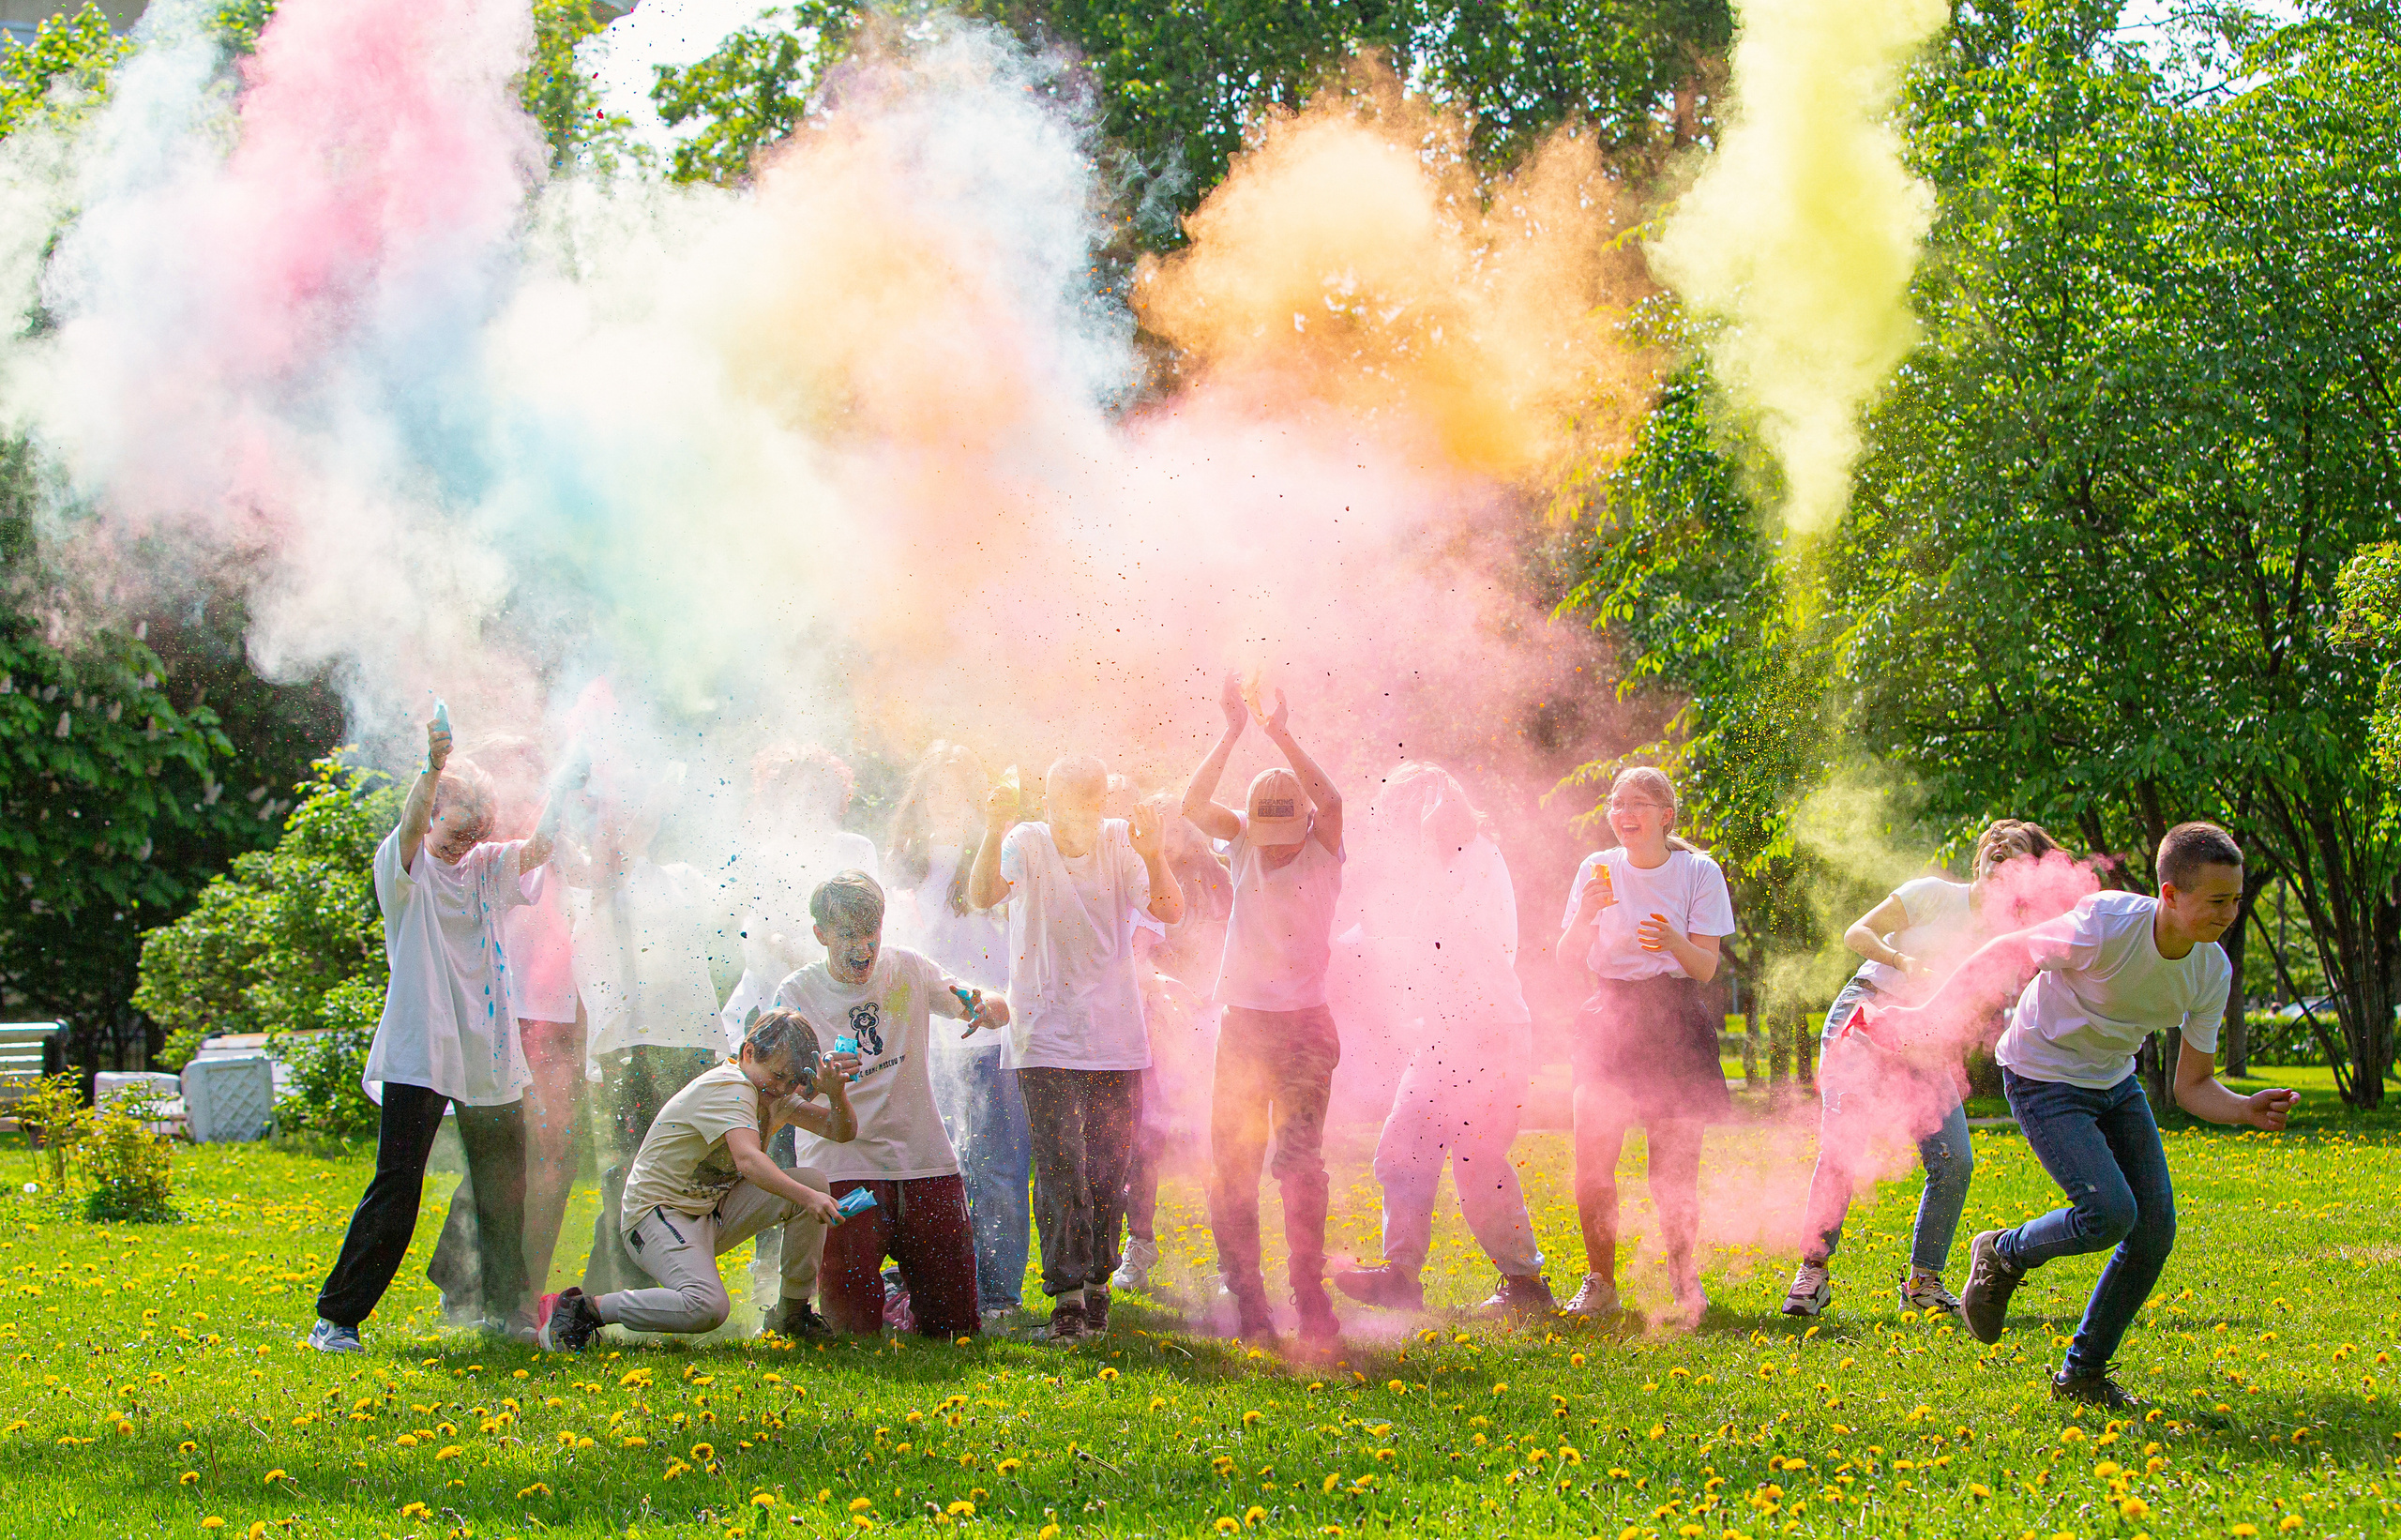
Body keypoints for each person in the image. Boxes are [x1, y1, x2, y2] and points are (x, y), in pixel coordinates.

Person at [1866, 821, 2298, 1408]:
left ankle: (2083, 1373)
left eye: (2236, 900)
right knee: (2110, 1211)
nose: (2229, 913)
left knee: (2153, 1232)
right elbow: (2004, 952)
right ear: (2170, 894)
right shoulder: (2107, 925)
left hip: (2112, 1083)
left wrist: (2245, 1108)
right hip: (2041, 1076)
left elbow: (2192, 1086)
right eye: (2216, 900)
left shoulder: (2210, 971)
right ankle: (2003, 1253)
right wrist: (1927, 1015)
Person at [308, 708, 580, 1352]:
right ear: (431, 817)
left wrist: (565, 784)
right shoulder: (405, 870)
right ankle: (337, 1318)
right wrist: (432, 770)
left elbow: (537, 849)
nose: (464, 848)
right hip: (420, 1049)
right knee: (397, 1186)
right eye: (455, 834)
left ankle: (504, 1313)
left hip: (486, 1051)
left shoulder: (485, 867)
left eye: (475, 835)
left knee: (501, 1190)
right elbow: (408, 828)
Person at [1782, 819, 2061, 1321]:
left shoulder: (2008, 940)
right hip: (1867, 1013)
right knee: (1842, 1143)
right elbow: (1857, 932)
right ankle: (1813, 1272)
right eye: (1994, 845)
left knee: (1954, 1159)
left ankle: (1924, 1282)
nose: (2000, 852)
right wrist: (1904, 962)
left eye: (2016, 852)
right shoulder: (1933, 894)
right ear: (1978, 859)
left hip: (1927, 1040)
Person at [970, 755, 1185, 1343]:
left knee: (1108, 1170)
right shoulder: (1026, 841)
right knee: (1062, 1165)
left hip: (1115, 1040)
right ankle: (1066, 1304)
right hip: (1044, 1036)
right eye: (1060, 806)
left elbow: (1170, 910)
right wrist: (993, 829)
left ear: (1099, 806)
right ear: (1046, 802)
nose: (1070, 820)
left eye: (1083, 807)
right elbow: (984, 893)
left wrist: (1158, 849)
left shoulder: (1122, 842)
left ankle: (1096, 1295)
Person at [1334, 763, 1550, 1320]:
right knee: (1402, 1149)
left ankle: (1525, 1287)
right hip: (1447, 1033)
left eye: (1401, 816)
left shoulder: (1472, 859)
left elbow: (1450, 932)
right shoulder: (1437, 864)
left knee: (1477, 1160)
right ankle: (1402, 1277)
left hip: (1488, 1032)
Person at [1181, 675, 1345, 1347]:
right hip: (1244, 1025)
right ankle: (1248, 1297)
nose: (1276, 843)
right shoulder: (1244, 838)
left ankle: (1309, 1293)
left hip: (1306, 1024)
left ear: (1304, 820)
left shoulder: (1326, 845)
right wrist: (1232, 731)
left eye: (1288, 829)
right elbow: (1193, 803)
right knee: (1235, 1162)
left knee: (1300, 1161)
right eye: (1266, 829)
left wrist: (1279, 730)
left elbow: (1332, 796)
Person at [776, 871, 1009, 1337]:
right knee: (851, 1333)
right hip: (843, 1166)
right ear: (820, 934)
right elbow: (782, 1094)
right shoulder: (796, 994)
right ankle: (884, 1299)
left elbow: (990, 1008)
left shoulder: (908, 968)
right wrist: (819, 1083)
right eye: (848, 936)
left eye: (871, 934)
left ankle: (900, 1299)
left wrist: (987, 1009)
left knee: (956, 1329)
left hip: (923, 1160)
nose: (863, 949)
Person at [539, 1008, 856, 1351]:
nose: (782, 1088)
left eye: (792, 1081)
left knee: (813, 1182)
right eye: (777, 1075)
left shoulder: (772, 1092)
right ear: (748, 1052)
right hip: (656, 1216)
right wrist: (808, 1200)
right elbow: (749, 1161)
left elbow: (840, 1132)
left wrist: (836, 1093)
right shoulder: (730, 1086)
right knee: (708, 1307)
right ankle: (582, 1310)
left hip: (707, 1212)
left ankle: (791, 1315)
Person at [1550, 766, 1735, 1329]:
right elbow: (1565, 957)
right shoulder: (1595, 869)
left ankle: (1682, 1275)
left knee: (1672, 1174)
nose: (1623, 813)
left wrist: (1673, 940)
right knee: (1593, 1168)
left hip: (1675, 1020)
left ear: (1665, 816)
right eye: (1616, 803)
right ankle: (1600, 1282)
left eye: (1637, 804)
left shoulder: (1699, 871)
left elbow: (1705, 968)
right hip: (1610, 1018)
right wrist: (1586, 914)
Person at [424, 734, 585, 1321]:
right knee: (508, 1152)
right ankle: (466, 1284)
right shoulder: (477, 849)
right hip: (509, 1007)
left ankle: (512, 1289)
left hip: (559, 1005)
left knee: (550, 1156)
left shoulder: (553, 834)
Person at [570, 778, 730, 1302]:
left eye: (646, 812)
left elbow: (732, 912)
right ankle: (599, 1298)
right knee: (631, 1178)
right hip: (629, 1051)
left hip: (691, 1048)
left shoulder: (684, 879)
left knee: (681, 1177)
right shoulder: (593, 883)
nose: (639, 821)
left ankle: (624, 1296)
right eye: (624, 813)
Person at [888, 743, 1028, 1323]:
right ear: (919, 799)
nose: (946, 802)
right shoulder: (902, 865)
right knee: (925, 1168)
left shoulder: (1002, 856)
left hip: (991, 1036)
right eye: (936, 789)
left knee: (995, 1167)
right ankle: (921, 1286)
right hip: (924, 1042)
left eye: (958, 790)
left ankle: (997, 1295)